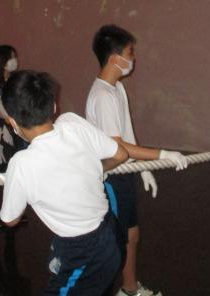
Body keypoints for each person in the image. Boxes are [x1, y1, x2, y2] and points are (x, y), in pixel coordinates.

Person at [0, 69, 129, 295]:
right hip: (111, 230)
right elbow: (120, 155)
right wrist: (95, 170)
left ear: (13, 122)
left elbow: (10, 220)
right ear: (53, 106)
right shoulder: (72, 123)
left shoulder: (22, 163)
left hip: (86, 253)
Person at [85, 24, 188, 296]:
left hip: (125, 173)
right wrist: (161, 154)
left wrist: (143, 168)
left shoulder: (117, 89)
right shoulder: (103, 95)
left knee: (131, 234)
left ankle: (129, 289)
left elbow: (126, 135)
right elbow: (117, 146)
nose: (133, 58)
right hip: (112, 177)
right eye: (130, 52)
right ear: (114, 58)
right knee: (114, 243)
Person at [0, 44, 27, 229]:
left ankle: (10, 212)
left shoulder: (12, 80)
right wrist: (14, 120)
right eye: (11, 57)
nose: (15, 61)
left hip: (12, 128)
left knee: (12, 169)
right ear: (2, 61)